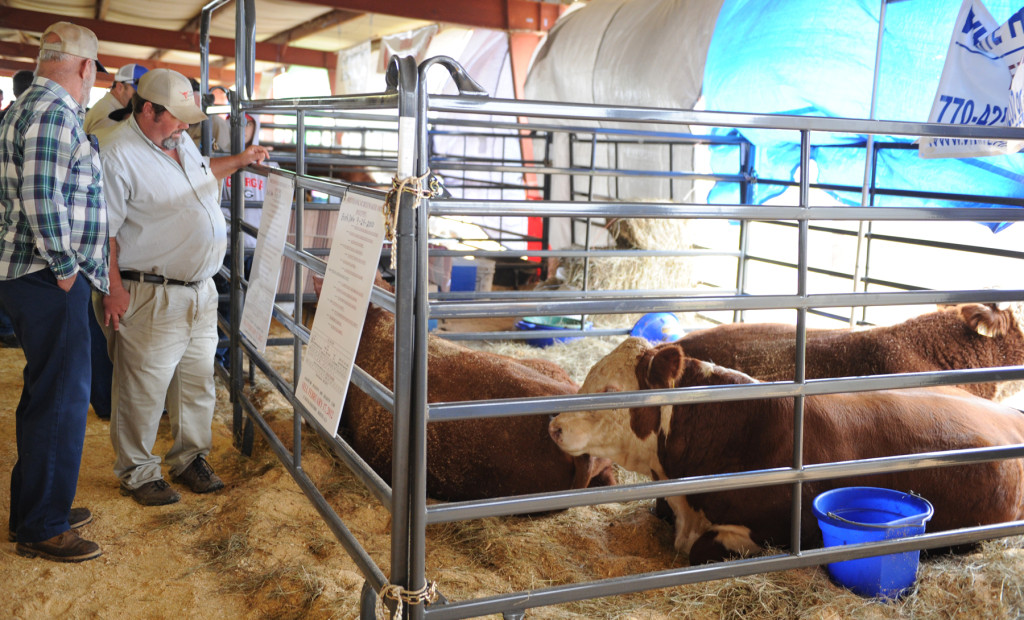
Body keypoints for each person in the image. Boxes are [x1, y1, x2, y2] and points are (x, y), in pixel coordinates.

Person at [99, 68, 270, 506]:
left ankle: (189, 457)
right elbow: (105, 232)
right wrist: (113, 289)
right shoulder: (117, 154)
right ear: (149, 109)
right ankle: (138, 471)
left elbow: (202, 172)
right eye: (176, 117)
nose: (184, 126)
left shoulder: (178, 141)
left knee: (196, 382)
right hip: (150, 291)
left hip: (200, 289)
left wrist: (240, 160)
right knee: (142, 386)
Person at [0, 22, 108, 562]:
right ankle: (44, 525)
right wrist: (67, 269)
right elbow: (42, 197)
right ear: (85, 66)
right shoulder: (53, 112)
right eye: (94, 72)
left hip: (32, 275)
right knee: (62, 398)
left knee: (48, 393)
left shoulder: (24, 106)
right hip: (47, 276)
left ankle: (33, 510)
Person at [83, 63, 146, 134]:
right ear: (120, 87)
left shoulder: (107, 106)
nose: (140, 99)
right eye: (136, 93)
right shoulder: (109, 116)